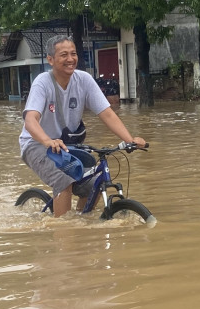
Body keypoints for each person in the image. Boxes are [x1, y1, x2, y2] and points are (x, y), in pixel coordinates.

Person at [19, 35, 147, 217]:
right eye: (63, 55)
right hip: (36, 144)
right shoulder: (42, 82)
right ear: (50, 60)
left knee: (95, 181)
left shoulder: (84, 80)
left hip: (67, 145)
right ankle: (63, 230)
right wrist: (48, 141)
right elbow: (30, 120)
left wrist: (130, 140)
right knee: (64, 180)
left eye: (73, 54)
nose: (70, 59)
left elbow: (107, 113)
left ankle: (81, 222)